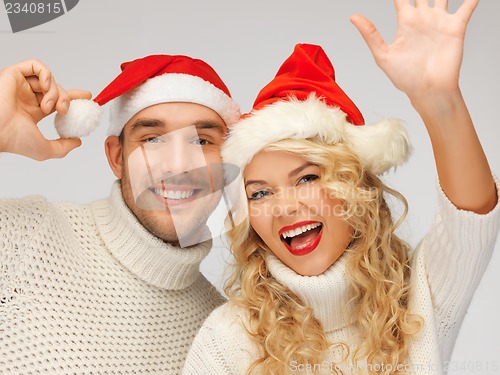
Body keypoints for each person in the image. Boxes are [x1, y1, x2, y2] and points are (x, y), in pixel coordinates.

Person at [183, 1, 499, 374]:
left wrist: (440, 101)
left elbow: (471, 216)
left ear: (354, 187)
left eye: (307, 178)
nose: (284, 207)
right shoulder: (228, 340)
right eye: (260, 193)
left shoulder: (418, 295)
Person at [0, 54, 240, 373]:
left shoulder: (226, 336)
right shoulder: (23, 239)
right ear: (116, 156)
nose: (180, 164)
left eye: (201, 140)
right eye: (153, 138)